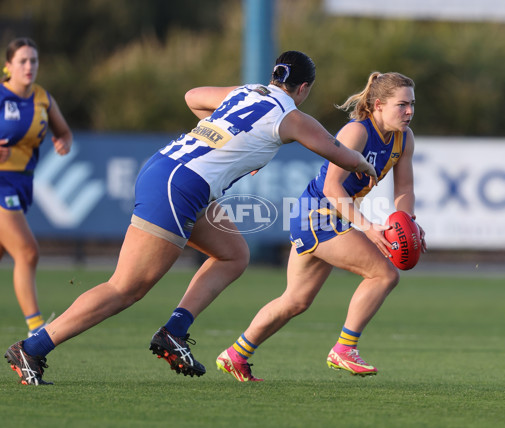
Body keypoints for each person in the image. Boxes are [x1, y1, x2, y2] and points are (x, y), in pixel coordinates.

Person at [4, 50, 378, 385]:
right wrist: (367, 166)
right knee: (126, 287)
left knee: (234, 253)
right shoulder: (292, 115)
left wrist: (227, 136)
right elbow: (341, 154)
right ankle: (33, 348)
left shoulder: (246, 92)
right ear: (304, 87)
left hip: (170, 170)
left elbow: (193, 97)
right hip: (181, 184)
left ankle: (175, 331)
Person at [216, 71, 427, 382]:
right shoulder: (357, 132)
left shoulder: (403, 138)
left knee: (295, 301)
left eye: (412, 104)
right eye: (402, 105)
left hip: (326, 217)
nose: (409, 112)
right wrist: (369, 228)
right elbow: (332, 187)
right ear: (379, 105)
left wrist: (408, 223)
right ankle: (344, 349)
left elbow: (404, 189)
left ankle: (236, 354)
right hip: (316, 215)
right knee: (383, 274)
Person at [0, 38, 72, 338]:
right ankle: (36, 331)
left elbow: (64, 132)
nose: (29, 67)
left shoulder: (43, 98)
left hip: (23, 182)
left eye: (34, 61)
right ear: (8, 66)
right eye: (23, 61)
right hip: (2, 182)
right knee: (28, 252)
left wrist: (62, 143)